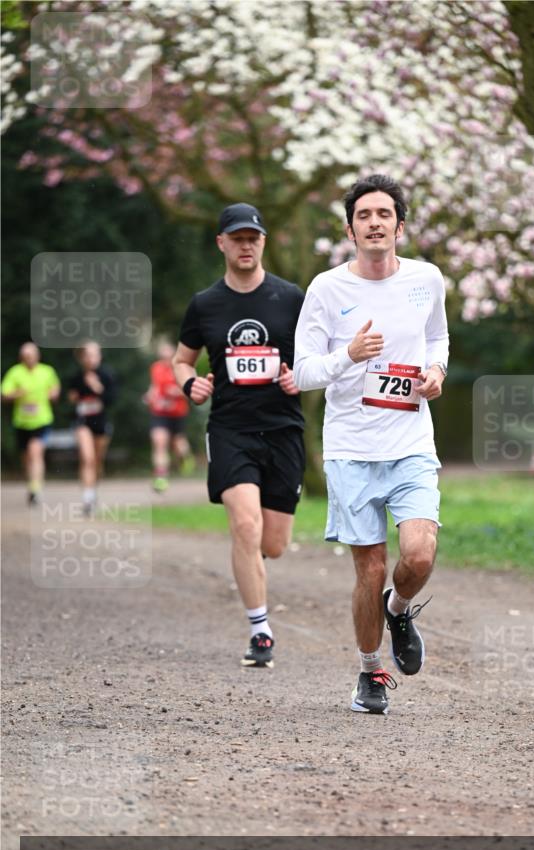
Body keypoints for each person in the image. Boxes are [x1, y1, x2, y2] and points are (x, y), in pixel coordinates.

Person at [294, 174, 449, 715]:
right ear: (350, 228)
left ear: (400, 226)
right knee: (371, 569)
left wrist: (436, 370)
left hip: (410, 440)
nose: (375, 223)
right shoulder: (326, 288)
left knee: (419, 553)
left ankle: (398, 610)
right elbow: (305, 371)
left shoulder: (427, 279)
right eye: (364, 215)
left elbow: (437, 336)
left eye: (384, 214)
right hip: (351, 448)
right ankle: (369, 673)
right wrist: (349, 356)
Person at [173, 203, 305, 668]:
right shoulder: (205, 305)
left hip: (284, 430)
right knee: (244, 525)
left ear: (263, 242)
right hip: (230, 429)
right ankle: (260, 630)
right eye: (237, 238)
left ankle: (255, 572)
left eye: (253, 237)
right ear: (222, 243)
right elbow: (181, 359)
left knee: (272, 544)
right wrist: (191, 383)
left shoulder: (292, 298)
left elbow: (319, 357)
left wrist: (300, 378)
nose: (245, 245)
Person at [1, 342, 60, 504]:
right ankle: (31, 485)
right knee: (26, 458)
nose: (29, 359)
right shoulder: (15, 372)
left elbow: (55, 389)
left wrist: (53, 394)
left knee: (36, 453)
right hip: (22, 422)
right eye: (26, 356)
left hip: (42, 420)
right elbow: (4, 394)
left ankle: (36, 488)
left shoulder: (47, 371)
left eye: (31, 355)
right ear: (21, 358)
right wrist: (17, 394)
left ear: (37, 356)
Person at [68, 341, 116, 516]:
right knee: (87, 458)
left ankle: (93, 491)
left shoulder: (107, 375)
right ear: (81, 358)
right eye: (87, 355)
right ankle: (87, 498)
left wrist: (97, 387)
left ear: (100, 357)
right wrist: (74, 398)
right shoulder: (76, 377)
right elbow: (72, 399)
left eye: (94, 354)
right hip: (82, 423)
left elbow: (112, 400)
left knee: (97, 462)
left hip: (101, 423)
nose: (91, 358)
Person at [145, 338, 194, 492]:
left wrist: (177, 393)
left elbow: (192, 392)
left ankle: (185, 458)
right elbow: (154, 386)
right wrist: (150, 395)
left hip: (177, 413)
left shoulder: (181, 369)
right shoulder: (156, 368)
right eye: (162, 355)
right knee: (159, 442)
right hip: (159, 412)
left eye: (168, 355)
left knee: (178, 444)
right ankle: (161, 478)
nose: (165, 358)